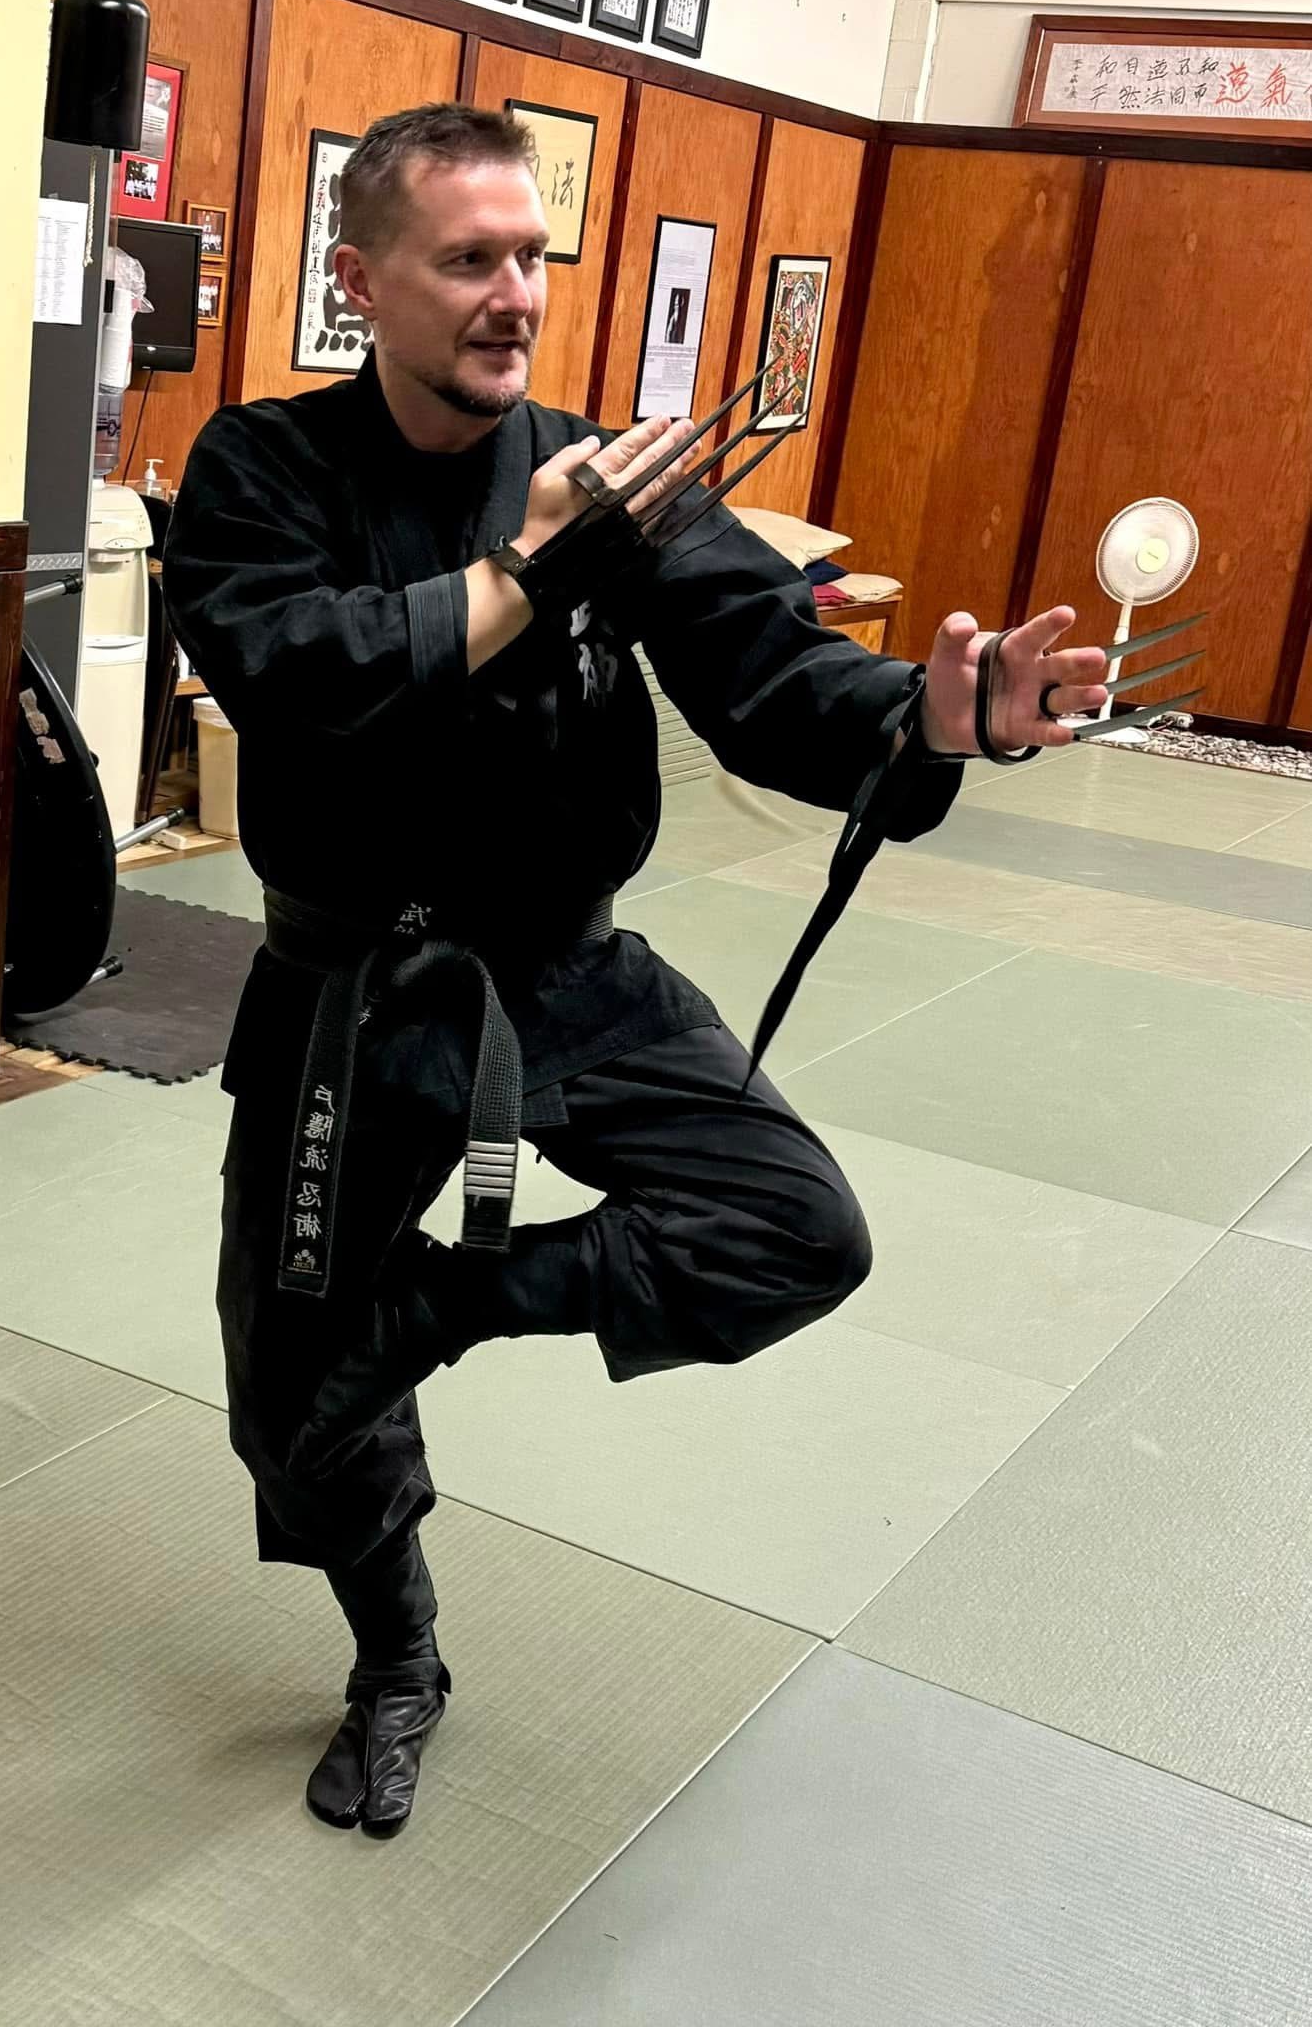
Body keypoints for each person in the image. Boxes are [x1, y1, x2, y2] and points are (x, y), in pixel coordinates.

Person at [162, 103, 1107, 1840]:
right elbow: (307, 675)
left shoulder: (624, 476)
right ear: (364, 280)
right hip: (348, 993)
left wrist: (931, 719)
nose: (513, 293)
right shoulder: (262, 467)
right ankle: (397, 1659)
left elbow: (772, 680)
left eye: (530, 256)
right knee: (290, 1410)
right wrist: (525, 563)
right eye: (468, 259)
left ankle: (438, 1309)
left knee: (794, 1227)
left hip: (566, 975)